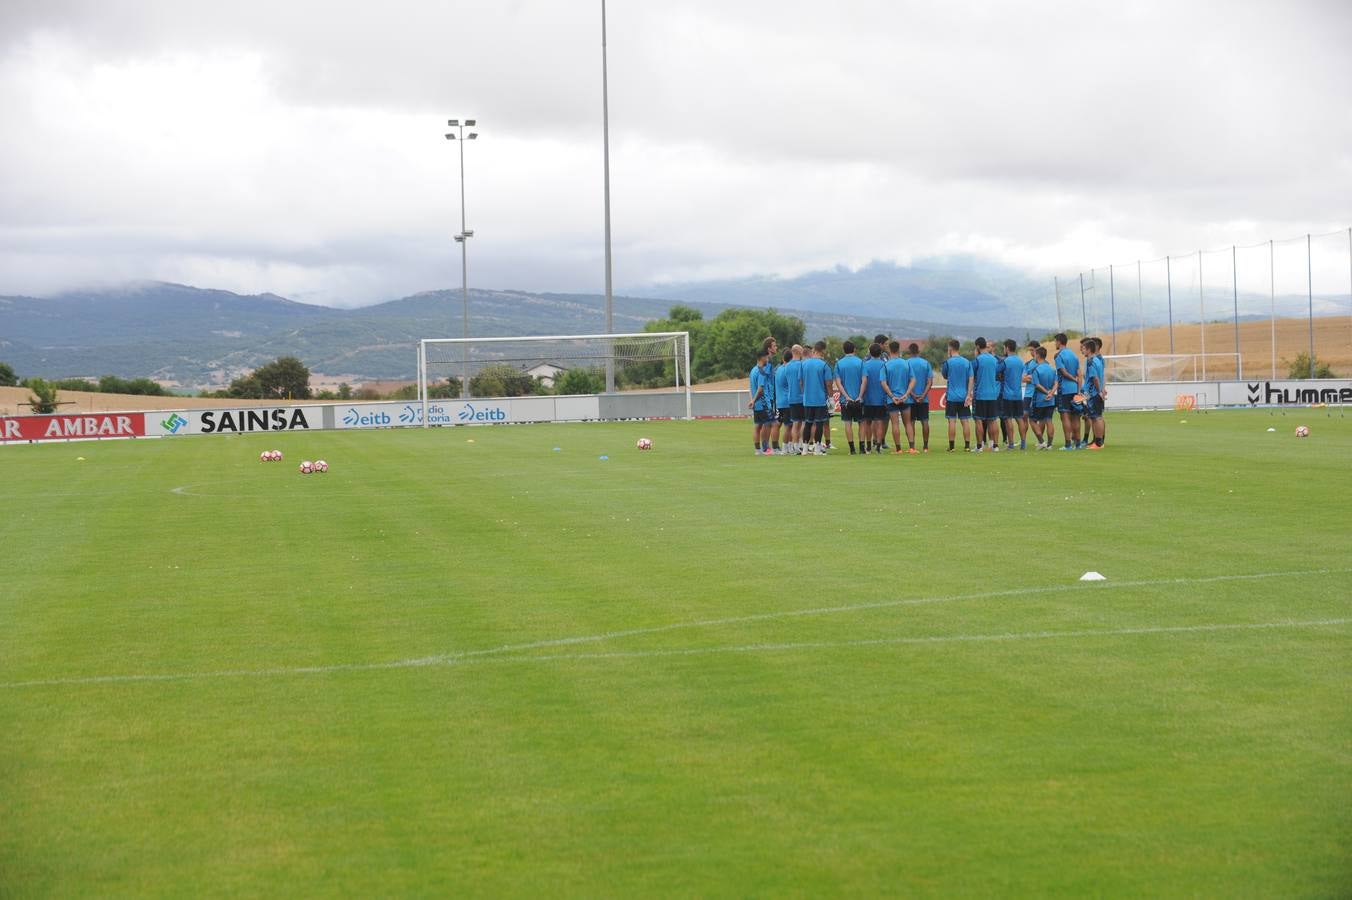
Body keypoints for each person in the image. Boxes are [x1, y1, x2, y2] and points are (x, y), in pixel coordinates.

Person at [940, 339, 973, 452]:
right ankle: (967, 446)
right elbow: (971, 378)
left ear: (950, 348)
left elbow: (944, 375)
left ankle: (952, 446)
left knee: (952, 421)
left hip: (952, 396)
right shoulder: (967, 362)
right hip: (963, 395)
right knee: (965, 421)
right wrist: (968, 394)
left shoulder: (948, 362)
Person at [800, 341, 832, 455]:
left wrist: (805, 392)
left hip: (807, 400)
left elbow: (801, 382)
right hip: (820, 400)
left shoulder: (803, 364)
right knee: (819, 424)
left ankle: (804, 449)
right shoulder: (824, 365)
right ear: (823, 351)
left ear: (814, 349)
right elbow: (828, 384)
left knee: (808, 424)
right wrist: (831, 398)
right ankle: (817, 449)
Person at [834, 340, 865, 454]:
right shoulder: (860, 362)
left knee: (848, 423)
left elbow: (838, 382)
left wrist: (846, 396)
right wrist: (860, 396)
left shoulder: (839, 364)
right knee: (862, 423)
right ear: (854, 349)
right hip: (859, 399)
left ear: (844, 350)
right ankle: (862, 448)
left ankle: (852, 449)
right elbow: (864, 381)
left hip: (845, 400)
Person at [970, 337, 1000, 452]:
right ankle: (995, 446)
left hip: (980, 394)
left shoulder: (977, 360)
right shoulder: (994, 359)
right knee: (993, 420)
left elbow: (971, 376)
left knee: (978, 420)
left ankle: (979, 446)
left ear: (977, 346)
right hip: (992, 394)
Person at [1053, 333, 1082, 450]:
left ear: (1059, 342)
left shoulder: (1059, 356)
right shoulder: (1074, 355)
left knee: (1065, 416)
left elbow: (1063, 372)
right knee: (1075, 417)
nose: (1055, 344)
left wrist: (1072, 379)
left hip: (1064, 389)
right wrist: (1078, 389)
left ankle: (1068, 444)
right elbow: (1080, 374)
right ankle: (1078, 444)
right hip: (1074, 389)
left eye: (1055, 341)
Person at [903, 342, 933, 452]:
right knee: (925, 421)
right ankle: (925, 447)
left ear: (909, 351)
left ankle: (912, 446)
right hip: (923, 399)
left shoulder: (906, 363)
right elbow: (929, 382)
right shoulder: (925, 363)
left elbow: (905, 383)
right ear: (918, 351)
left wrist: (913, 395)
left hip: (910, 399)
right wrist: (922, 395)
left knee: (910, 422)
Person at [883, 340, 911, 454]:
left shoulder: (886, 365)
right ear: (899, 350)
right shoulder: (906, 363)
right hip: (905, 398)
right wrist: (906, 394)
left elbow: (883, 382)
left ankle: (898, 449)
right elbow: (913, 380)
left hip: (892, 399)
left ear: (889, 350)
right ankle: (912, 447)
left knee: (895, 423)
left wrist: (892, 396)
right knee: (908, 423)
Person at [998, 339, 1026, 450]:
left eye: (1004, 347)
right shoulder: (1020, 361)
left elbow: (996, 372)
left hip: (1007, 395)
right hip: (1018, 394)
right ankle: (1023, 443)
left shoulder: (1005, 361)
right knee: (1019, 419)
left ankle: (1011, 444)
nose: (1004, 349)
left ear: (1007, 348)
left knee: (1008, 419)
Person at [860, 342, 888, 453]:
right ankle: (878, 446)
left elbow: (863, 381)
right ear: (880, 352)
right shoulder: (884, 364)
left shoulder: (865, 364)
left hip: (868, 399)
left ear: (870, 352)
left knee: (868, 422)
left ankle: (868, 446)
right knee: (880, 422)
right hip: (881, 399)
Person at [1029, 346, 1057, 448]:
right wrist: (1051, 393)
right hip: (1050, 400)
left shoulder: (1036, 369)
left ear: (1038, 355)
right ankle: (1049, 444)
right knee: (1048, 420)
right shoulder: (1051, 368)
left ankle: (1041, 442)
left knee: (1032, 420)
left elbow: (1037, 384)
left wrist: (1046, 392)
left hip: (1040, 399)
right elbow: (1056, 383)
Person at [747, 348, 774, 454]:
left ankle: (757, 450)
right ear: (762, 357)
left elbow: (750, 387)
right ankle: (766, 448)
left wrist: (752, 400)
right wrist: (754, 400)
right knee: (768, 424)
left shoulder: (753, 370)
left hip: (756, 405)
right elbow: (760, 388)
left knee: (758, 426)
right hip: (763, 403)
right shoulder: (761, 371)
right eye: (767, 357)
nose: (768, 359)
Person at [1082, 337, 1107, 449]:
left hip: (1093, 393)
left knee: (1096, 418)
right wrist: (1102, 390)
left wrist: (1098, 391)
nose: (1082, 351)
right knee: (1097, 417)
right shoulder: (1098, 360)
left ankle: (1098, 443)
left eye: (1083, 348)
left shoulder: (1091, 361)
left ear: (1089, 350)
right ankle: (1098, 441)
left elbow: (1095, 378)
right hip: (1096, 393)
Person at [784, 344, 805, 454]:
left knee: (795, 423)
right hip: (801, 397)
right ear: (798, 352)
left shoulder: (787, 366)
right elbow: (802, 381)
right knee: (803, 422)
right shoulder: (801, 365)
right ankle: (802, 444)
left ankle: (794, 446)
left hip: (791, 398)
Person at [772, 348, 793, 454]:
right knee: (789, 426)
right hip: (788, 402)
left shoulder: (778, 369)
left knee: (778, 423)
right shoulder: (788, 369)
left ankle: (775, 447)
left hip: (779, 402)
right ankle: (786, 448)